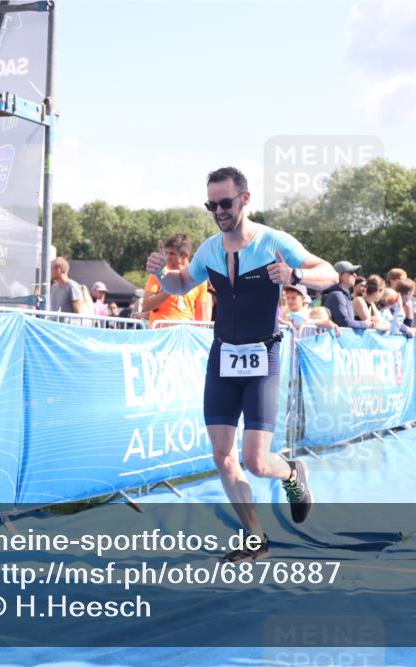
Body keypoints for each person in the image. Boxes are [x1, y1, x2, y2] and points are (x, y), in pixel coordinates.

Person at [145, 166, 337, 561]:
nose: (219, 210)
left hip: (263, 356)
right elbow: (183, 285)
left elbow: (329, 273)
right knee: (222, 455)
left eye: (225, 202)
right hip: (223, 356)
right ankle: (255, 538)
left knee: (254, 460)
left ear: (245, 199)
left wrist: (295, 273)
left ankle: (290, 473)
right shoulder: (210, 249)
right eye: (211, 204)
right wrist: (163, 277)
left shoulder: (273, 242)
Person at [144, 233, 212, 327]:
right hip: (160, 334)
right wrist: (172, 286)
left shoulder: (199, 279)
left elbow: (202, 317)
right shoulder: (158, 275)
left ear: (185, 256)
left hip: (185, 336)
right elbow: (146, 305)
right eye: (166, 253)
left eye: (172, 253)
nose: (167, 257)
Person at [322, 261, 370, 334]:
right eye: (351, 272)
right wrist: (366, 324)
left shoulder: (343, 295)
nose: (355, 275)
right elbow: (345, 324)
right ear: (340, 275)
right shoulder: (337, 295)